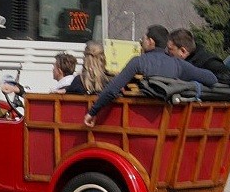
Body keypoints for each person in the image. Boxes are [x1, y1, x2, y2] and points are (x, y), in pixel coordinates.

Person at [83, 25, 218, 127]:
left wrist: (93, 112)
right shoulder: (178, 65)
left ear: (151, 42)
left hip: (138, 122)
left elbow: (113, 89)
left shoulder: (139, 62)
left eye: (144, 39)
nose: (142, 43)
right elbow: (211, 78)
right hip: (168, 122)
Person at [166, 28, 230, 85]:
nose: (167, 52)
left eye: (170, 49)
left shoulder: (206, 61)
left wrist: (203, 78)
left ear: (183, 51)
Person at [1, 51, 78, 96]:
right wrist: (17, 89)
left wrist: (16, 89)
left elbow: (39, 98)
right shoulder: (72, 85)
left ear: (60, 71)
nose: (52, 69)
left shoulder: (63, 89)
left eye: (54, 67)